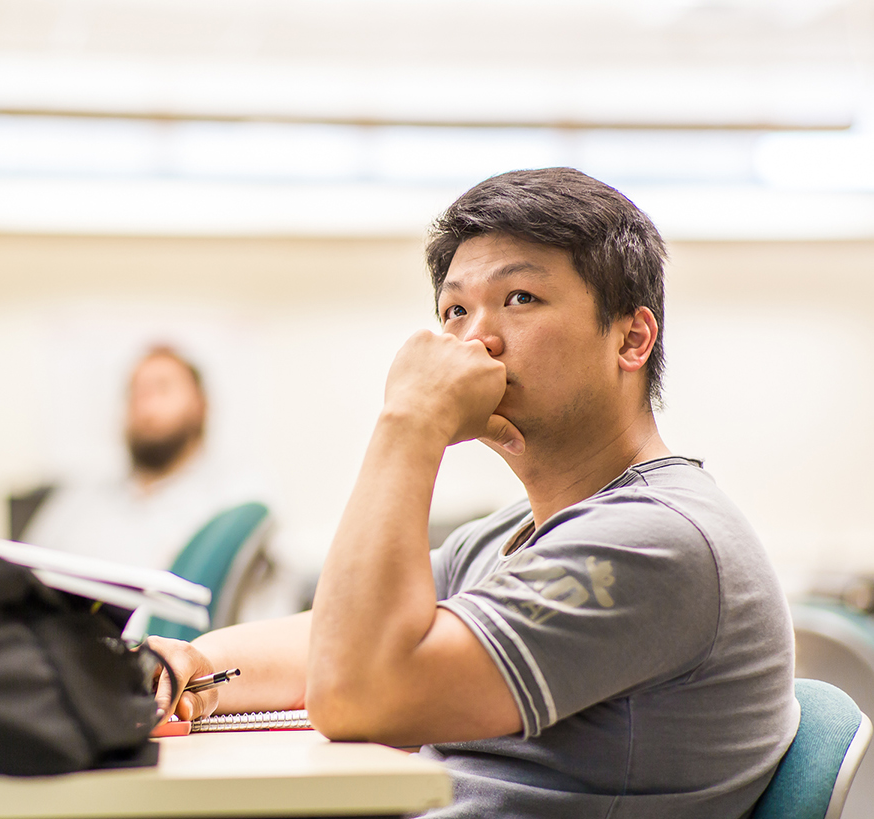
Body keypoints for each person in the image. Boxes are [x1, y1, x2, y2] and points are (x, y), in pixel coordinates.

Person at [150, 168, 797, 818]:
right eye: (455, 309)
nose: (474, 339)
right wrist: (191, 663)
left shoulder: (656, 539)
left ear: (630, 338)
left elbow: (355, 691)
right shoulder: (509, 532)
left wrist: (409, 422)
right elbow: (334, 639)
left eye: (519, 297)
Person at [24, 345, 257, 571]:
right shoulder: (79, 499)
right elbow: (24, 571)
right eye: (136, 392)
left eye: (162, 389)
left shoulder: (237, 500)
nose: (146, 405)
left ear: (200, 406)